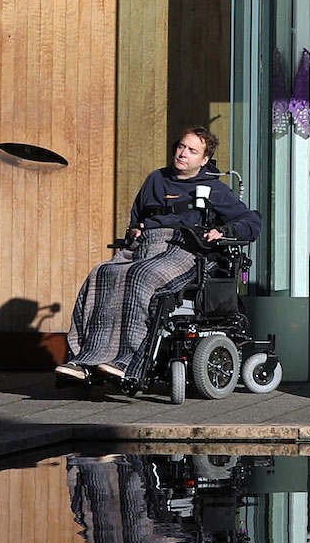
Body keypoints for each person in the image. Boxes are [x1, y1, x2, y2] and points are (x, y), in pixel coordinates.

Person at [59, 126, 261, 384]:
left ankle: (127, 362)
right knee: (102, 273)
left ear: (204, 160)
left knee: (141, 276)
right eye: (181, 146)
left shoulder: (214, 189)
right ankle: (84, 359)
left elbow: (251, 221)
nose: (183, 153)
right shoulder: (156, 179)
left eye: (192, 150)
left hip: (186, 249)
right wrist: (135, 230)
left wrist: (225, 230)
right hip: (146, 245)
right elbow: (138, 217)